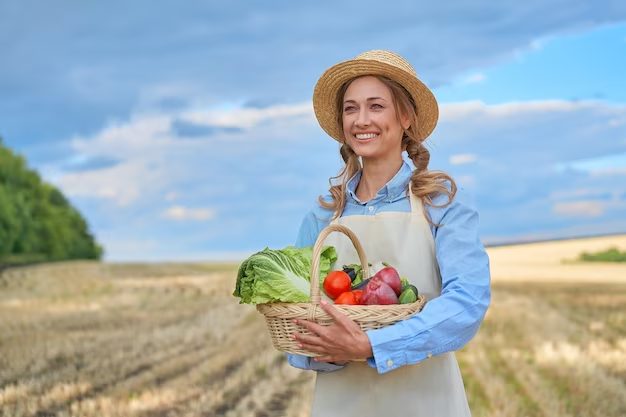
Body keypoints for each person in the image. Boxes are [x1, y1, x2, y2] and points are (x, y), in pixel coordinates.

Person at [285, 49, 491, 416]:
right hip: (341, 403)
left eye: (376, 106)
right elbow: (295, 316)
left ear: (406, 117)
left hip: (426, 400)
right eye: (351, 108)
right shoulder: (322, 215)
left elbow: (467, 304)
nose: (362, 120)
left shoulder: (441, 204)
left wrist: (371, 346)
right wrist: (327, 351)